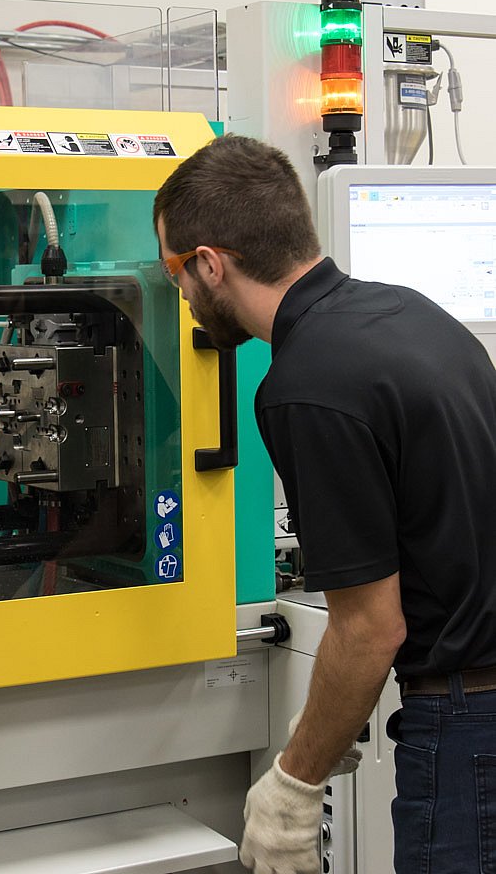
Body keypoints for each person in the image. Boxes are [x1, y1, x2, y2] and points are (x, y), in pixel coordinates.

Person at [153, 133, 496, 874]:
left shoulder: (305, 384)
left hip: (468, 724)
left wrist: (293, 786)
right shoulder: (409, 312)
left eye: (173, 272)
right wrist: (327, 719)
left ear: (210, 263)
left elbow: (370, 628)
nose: (179, 294)